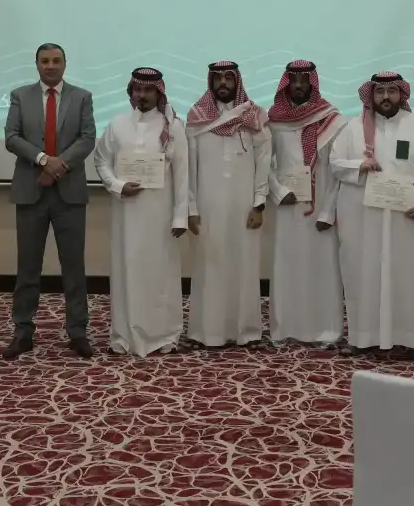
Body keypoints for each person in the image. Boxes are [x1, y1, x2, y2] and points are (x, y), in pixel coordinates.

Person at [330, 72, 414, 363]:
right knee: (362, 274)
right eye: (380, 91)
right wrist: (360, 165)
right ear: (371, 94)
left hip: (408, 220)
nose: (385, 97)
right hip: (363, 219)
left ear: (401, 94)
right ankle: (362, 338)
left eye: (391, 91)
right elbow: (334, 163)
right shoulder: (353, 128)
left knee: (412, 277)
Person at [2, 43, 96, 359]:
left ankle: (78, 331)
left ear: (65, 64)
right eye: (45, 61)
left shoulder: (82, 97)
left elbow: (87, 138)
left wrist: (59, 166)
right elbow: (12, 137)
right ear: (37, 64)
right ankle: (23, 331)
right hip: (31, 193)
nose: (51, 66)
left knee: (74, 267)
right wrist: (44, 160)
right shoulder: (20, 96)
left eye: (56, 60)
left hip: (70, 195)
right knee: (28, 267)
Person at [94, 68, 189, 356]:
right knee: (127, 272)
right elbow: (101, 160)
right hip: (126, 216)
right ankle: (124, 335)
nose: (142, 95)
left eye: (148, 90)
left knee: (161, 274)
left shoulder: (173, 126)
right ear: (131, 92)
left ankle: (165, 335)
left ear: (158, 93)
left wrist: (180, 216)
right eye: (138, 89)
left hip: (161, 217)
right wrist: (117, 185)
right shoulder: (117, 124)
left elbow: (183, 174)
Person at [184, 61, 271, 348]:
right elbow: (189, 168)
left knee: (245, 266)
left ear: (237, 81)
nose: (223, 83)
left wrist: (259, 204)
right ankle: (206, 332)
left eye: (228, 78)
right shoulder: (197, 118)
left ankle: (247, 331)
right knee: (209, 266)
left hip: (244, 207)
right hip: (207, 207)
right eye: (218, 78)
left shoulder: (254, 117)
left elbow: (264, 162)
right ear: (210, 82)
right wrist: (191, 209)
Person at [266, 60, 348, 346]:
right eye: (294, 81)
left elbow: (338, 171)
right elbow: (264, 164)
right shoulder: (274, 121)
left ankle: (325, 330)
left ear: (313, 84)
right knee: (287, 267)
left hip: (320, 210)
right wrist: (278, 192)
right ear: (286, 84)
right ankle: (285, 329)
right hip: (287, 209)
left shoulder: (332, 120)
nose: (299, 86)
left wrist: (328, 211)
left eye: (304, 81)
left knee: (322, 269)